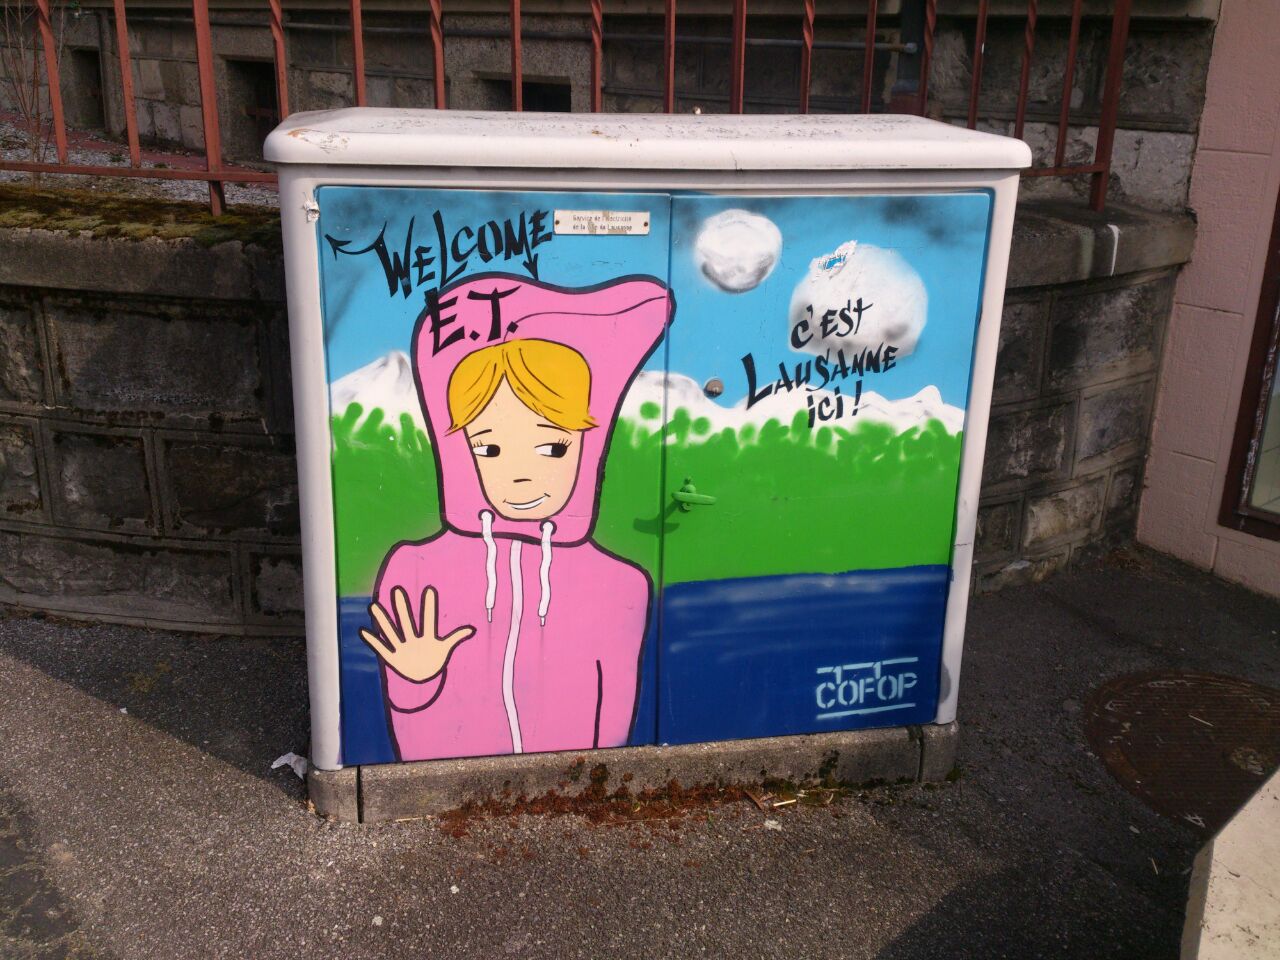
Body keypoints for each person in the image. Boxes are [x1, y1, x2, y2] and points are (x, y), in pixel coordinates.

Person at [359, 273, 673, 761]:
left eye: (552, 447)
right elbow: (409, 745)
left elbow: (613, 733)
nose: (521, 476)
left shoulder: (621, 585)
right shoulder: (416, 570)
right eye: (489, 448)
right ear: (462, 452)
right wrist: (416, 681)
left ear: (587, 445)